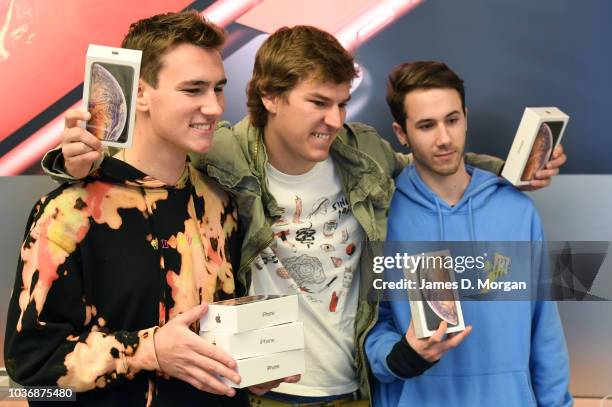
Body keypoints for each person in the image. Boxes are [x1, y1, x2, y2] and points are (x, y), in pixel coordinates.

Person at [41, 26, 566, 406]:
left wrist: (513, 169)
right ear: (270, 96)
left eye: (342, 103)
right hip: (263, 390)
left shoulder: (365, 154)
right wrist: (69, 162)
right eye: (319, 103)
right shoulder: (221, 155)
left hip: (354, 386)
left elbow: (429, 158)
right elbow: (148, 161)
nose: (336, 120)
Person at [4, 11, 295, 406]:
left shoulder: (221, 204)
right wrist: (148, 350)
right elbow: (31, 365)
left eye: (218, 89)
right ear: (139, 93)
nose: (213, 107)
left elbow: (218, 335)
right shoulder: (68, 212)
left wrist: (251, 365)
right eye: (193, 90)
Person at [365, 61, 573, 406]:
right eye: (426, 126)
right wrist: (402, 355)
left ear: (466, 117)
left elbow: (544, 329)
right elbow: (371, 329)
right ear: (401, 133)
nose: (444, 138)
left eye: (452, 120)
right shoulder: (381, 217)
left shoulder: (516, 211)